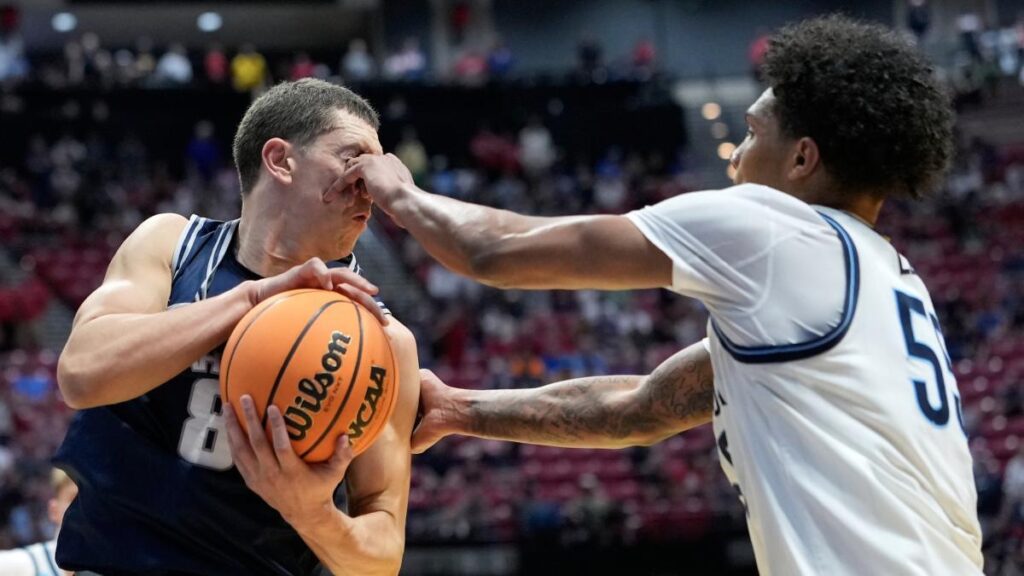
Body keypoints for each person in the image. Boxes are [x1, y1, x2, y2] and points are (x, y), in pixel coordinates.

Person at [344, 16, 983, 575]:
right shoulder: (883, 277)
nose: (734, 160)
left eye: (753, 135)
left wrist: (399, 191)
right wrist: (461, 410)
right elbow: (640, 407)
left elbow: (493, 252)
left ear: (802, 160)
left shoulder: (773, 229)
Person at [53, 78, 420, 575]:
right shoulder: (172, 246)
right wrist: (251, 298)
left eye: (377, 170)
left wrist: (313, 515)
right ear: (280, 160)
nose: (370, 185)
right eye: (353, 159)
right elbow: (82, 371)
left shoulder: (383, 341)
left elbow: (377, 561)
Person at [0, 469, 77, 576]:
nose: (85, 508)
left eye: (93, 501)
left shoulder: (106, 562)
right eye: (74, 499)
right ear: (53, 510)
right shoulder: (21, 565)